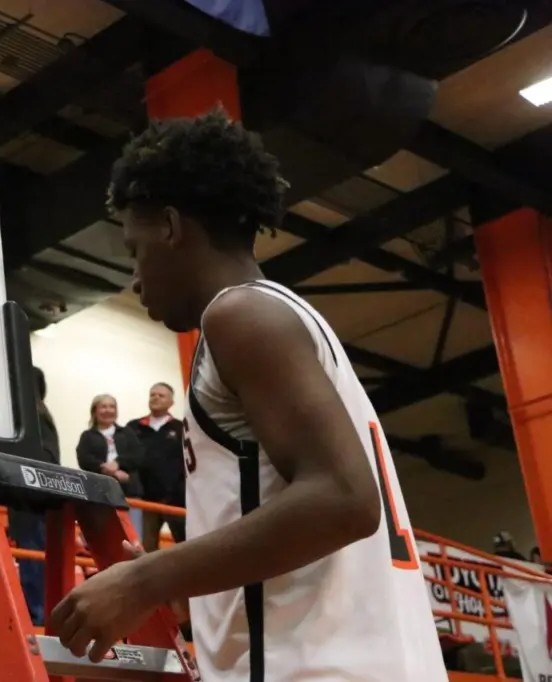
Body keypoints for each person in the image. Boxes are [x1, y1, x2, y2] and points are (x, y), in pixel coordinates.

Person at [48, 109, 446, 680]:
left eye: (135, 251)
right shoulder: (282, 318)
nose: (135, 278)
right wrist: (178, 574)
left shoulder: (241, 315)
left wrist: (145, 580)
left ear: (170, 226)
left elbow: (345, 500)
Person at [6, 366, 59, 625]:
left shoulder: (36, 418)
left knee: (34, 564)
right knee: (30, 562)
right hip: (25, 502)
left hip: (32, 502)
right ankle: (35, 615)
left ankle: (38, 619)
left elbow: (47, 459)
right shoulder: (34, 417)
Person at [127, 382, 186, 551]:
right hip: (145, 499)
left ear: (171, 402)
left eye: (161, 395)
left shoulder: (181, 428)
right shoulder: (134, 427)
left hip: (176, 499)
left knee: (184, 546)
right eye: (152, 395)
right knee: (146, 548)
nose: (156, 398)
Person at [75, 394, 144, 533]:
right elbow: (84, 459)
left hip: (129, 492)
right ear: (94, 411)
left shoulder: (126, 433)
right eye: (103, 407)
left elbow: (138, 455)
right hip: (99, 493)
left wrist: (118, 463)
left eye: (112, 407)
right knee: (101, 534)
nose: (108, 410)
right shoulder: (87, 436)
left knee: (133, 535)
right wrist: (107, 469)